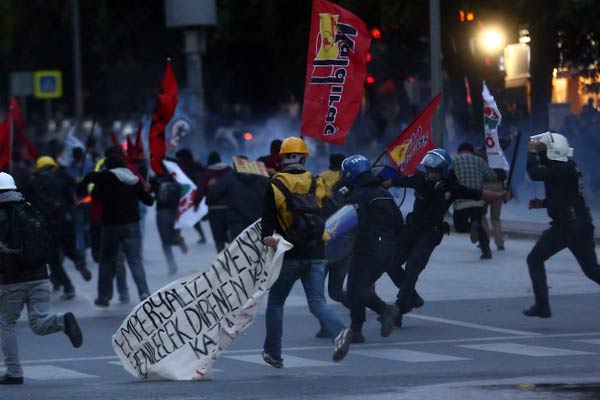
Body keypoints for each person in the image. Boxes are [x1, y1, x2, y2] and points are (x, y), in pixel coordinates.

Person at [383, 149, 507, 326]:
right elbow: (393, 181)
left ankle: (399, 307)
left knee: (413, 267)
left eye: (435, 171)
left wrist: (499, 195)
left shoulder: (451, 187)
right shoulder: (418, 179)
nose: (431, 175)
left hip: (431, 233)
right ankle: (412, 297)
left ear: (444, 171)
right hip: (411, 230)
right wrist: (375, 185)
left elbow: (477, 193)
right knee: (391, 263)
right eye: (429, 170)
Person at [261, 137, 352, 368]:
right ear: (304, 157)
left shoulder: (275, 184)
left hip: (289, 254)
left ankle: (274, 354)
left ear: (282, 158)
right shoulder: (316, 181)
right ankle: (339, 332)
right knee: (317, 302)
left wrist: (267, 238)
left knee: (276, 303)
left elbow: (268, 221)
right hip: (316, 253)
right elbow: (326, 211)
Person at [0, 172, 83, 384]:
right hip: (40, 274)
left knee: (6, 324)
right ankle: (62, 322)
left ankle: (14, 372)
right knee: (38, 323)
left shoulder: (1, 213)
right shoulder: (28, 208)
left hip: (12, 279)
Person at [524, 132, 600, 318]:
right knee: (591, 270)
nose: (541, 154)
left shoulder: (562, 168)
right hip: (580, 224)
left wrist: (531, 153)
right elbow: (564, 197)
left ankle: (542, 306)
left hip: (567, 226)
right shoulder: (567, 168)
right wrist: (542, 203)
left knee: (534, 259)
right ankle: (542, 306)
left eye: (543, 151)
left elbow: (535, 174)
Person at [341, 155, 406, 343]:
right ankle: (356, 331)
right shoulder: (384, 193)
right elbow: (398, 221)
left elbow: (352, 223)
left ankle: (384, 310)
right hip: (388, 249)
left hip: (368, 248)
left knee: (355, 289)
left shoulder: (357, 195)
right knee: (359, 287)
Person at [78, 155, 154, 308]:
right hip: (132, 225)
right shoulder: (133, 179)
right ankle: (144, 293)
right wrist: (146, 189)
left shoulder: (105, 177)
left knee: (107, 261)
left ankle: (104, 298)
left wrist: (81, 187)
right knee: (135, 261)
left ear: (109, 165)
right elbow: (149, 201)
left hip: (111, 226)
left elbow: (93, 188)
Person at [23, 156, 91, 300]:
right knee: (69, 249)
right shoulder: (61, 182)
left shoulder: (31, 184)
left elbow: (25, 204)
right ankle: (78, 261)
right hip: (65, 221)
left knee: (53, 259)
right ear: (53, 167)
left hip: (46, 225)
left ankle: (68, 287)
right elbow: (72, 201)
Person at [451, 142, 497, 259]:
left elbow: (446, 177)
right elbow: (492, 176)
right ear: (472, 151)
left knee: (459, 227)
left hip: (460, 201)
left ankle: (471, 226)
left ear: (459, 150)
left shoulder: (453, 160)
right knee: (480, 227)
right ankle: (486, 252)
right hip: (477, 200)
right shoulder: (479, 160)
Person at [206, 160, 269, 239]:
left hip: (236, 222)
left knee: (238, 249)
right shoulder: (263, 178)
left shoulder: (230, 177)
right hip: (258, 222)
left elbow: (214, 194)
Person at [150, 170, 187, 275]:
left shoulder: (155, 180)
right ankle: (178, 239)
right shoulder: (176, 179)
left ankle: (172, 265)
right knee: (174, 234)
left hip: (162, 213)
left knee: (165, 242)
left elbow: (148, 193)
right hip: (176, 212)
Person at [196, 152, 233, 252]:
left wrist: (196, 204)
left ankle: (222, 263)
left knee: (218, 239)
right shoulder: (229, 170)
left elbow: (200, 191)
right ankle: (234, 256)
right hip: (230, 208)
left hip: (214, 210)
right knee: (232, 238)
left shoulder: (208, 173)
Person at [176, 149, 207, 244]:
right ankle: (178, 236)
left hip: (195, 195)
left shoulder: (193, 167)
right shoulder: (188, 166)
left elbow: (198, 181)